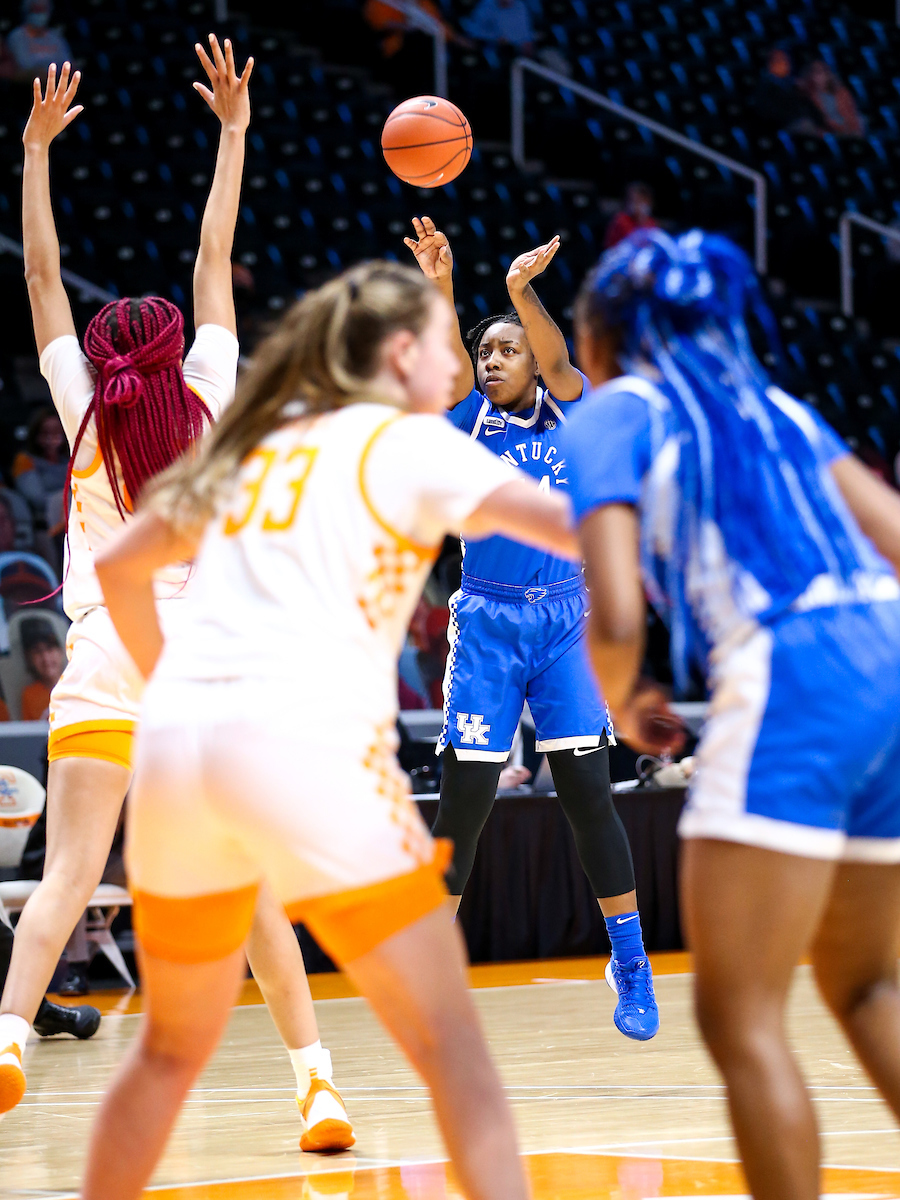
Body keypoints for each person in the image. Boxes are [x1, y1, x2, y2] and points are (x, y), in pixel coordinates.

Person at [75, 257, 579, 1200]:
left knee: (169, 1051)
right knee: (455, 1052)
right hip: (301, 745)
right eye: (442, 344)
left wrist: (175, 683)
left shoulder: (260, 439)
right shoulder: (412, 443)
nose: (456, 362)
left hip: (180, 748)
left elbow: (121, 568)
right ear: (400, 354)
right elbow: (573, 527)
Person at [0, 47, 354, 1154]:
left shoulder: (86, 418)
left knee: (65, 877)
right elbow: (215, 251)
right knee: (253, 898)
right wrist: (235, 131)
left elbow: (43, 281)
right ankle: (319, 1091)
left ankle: (8, 1036)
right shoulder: (207, 393)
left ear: (107, 368)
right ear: (173, 352)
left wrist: (33, 154)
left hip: (105, 668)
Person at [565, 227, 900, 1200]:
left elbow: (619, 610)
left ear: (602, 331)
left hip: (794, 669)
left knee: (741, 1016)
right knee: (870, 986)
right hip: (887, 655)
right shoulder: (783, 409)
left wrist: (624, 701)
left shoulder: (614, 414)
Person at [405, 215, 659, 1041]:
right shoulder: (465, 421)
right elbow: (444, 364)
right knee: (465, 807)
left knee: (590, 798)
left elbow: (557, 359)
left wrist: (519, 293)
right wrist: (441, 284)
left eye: (506, 349)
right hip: (484, 621)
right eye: (487, 352)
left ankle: (629, 963)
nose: (493, 360)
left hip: (565, 622)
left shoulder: (571, 411)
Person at [752, 48, 825, 135]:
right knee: (805, 125)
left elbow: (811, 108)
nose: (784, 64)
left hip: (806, 123)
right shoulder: (765, 87)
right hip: (785, 126)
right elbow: (767, 112)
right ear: (769, 64)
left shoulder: (794, 84)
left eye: (786, 60)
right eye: (778, 60)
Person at [12, 408, 67, 520]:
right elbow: (37, 499)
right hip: (41, 523)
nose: (51, 439)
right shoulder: (25, 460)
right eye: (46, 433)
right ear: (35, 435)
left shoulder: (69, 459)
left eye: (56, 432)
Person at [798, 59, 865, 138]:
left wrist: (846, 128)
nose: (817, 77)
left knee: (860, 121)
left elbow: (850, 115)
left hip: (843, 125)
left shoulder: (842, 93)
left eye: (820, 72)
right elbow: (819, 119)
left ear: (828, 74)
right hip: (825, 130)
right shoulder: (811, 95)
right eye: (814, 73)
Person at [7, 0, 72, 79]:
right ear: (28, 11)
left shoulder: (56, 37)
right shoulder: (16, 37)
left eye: (43, 10)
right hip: (26, 84)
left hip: (58, 82)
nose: (40, 14)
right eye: (36, 10)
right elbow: (21, 66)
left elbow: (68, 63)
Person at [20, 619, 65, 720]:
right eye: (37, 651)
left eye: (50, 649)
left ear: (61, 651)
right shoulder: (30, 695)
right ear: (29, 659)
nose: (45, 658)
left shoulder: (78, 685)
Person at [461, 0, 536, 52]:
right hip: (494, 50)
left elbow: (527, 34)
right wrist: (495, 38)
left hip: (519, 52)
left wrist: (528, 43)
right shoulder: (487, 6)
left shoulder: (520, 6)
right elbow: (472, 30)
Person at [603, 183, 658, 251]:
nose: (637, 205)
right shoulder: (621, 220)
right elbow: (634, 243)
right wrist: (641, 220)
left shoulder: (650, 221)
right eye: (634, 201)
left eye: (641, 201)